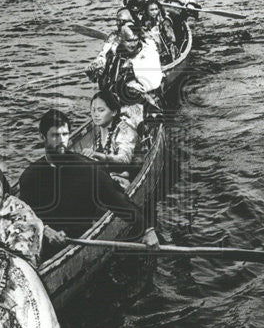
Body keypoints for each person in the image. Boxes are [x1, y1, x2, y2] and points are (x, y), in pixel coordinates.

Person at [18, 108, 160, 260]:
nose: (61, 141)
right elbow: (23, 214)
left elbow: (118, 200)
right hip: (41, 242)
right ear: (42, 137)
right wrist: (44, 230)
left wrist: (147, 229)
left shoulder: (88, 170)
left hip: (78, 236)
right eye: (55, 135)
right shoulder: (29, 177)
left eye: (64, 135)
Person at [82, 89, 138, 184]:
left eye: (101, 110)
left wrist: (99, 155)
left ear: (114, 112)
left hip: (126, 176)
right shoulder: (99, 131)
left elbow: (125, 159)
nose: (95, 115)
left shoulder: (125, 131)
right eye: (93, 110)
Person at [86, 8, 135, 82]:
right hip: (116, 72)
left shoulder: (138, 35)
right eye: (118, 22)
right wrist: (96, 64)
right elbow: (103, 54)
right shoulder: (113, 37)